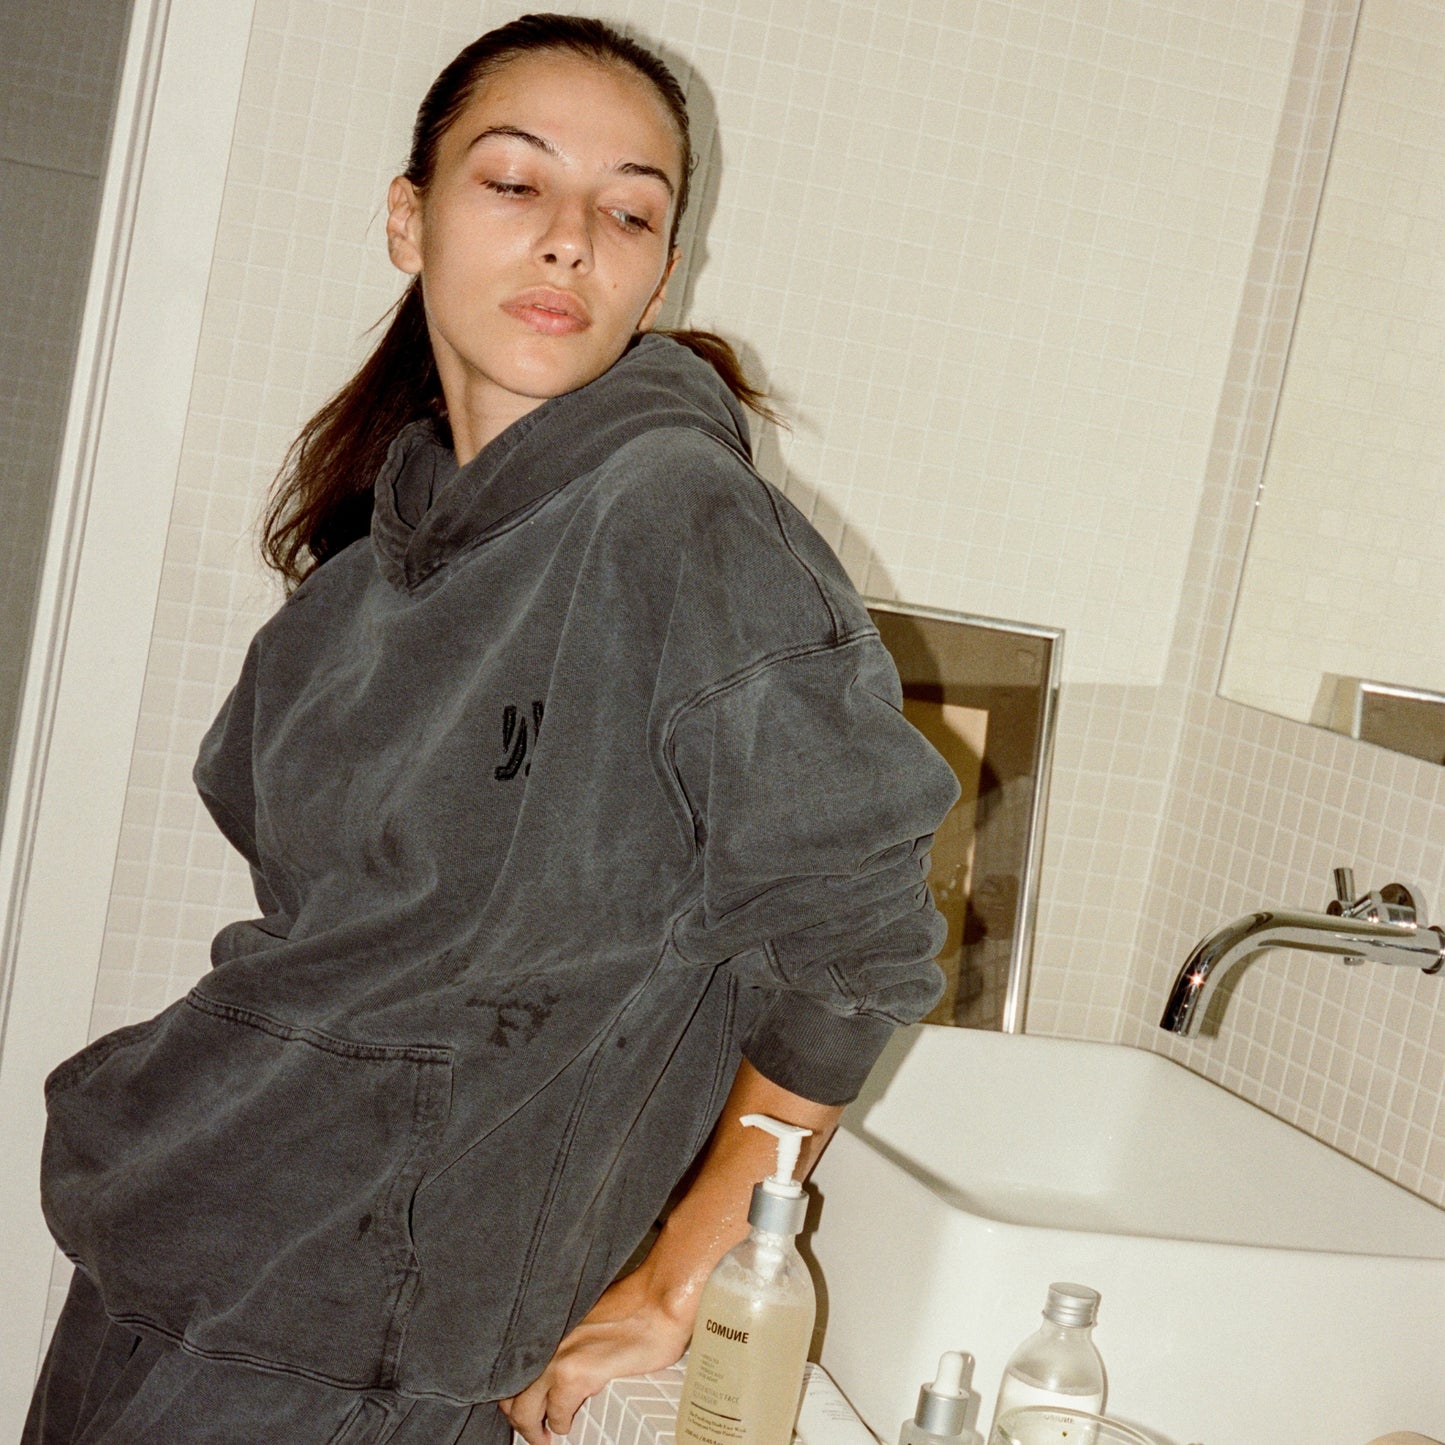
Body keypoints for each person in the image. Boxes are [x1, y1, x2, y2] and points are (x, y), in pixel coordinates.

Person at [27, 15, 959, 1445]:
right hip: (172, 1257)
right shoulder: (353, 590)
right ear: (410, 220)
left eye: (629, 211)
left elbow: (858, 934)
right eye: (513, 183)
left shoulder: (674, 514)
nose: (570, 239)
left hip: (365, 1353)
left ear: (659, 273)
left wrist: (690, 1263)